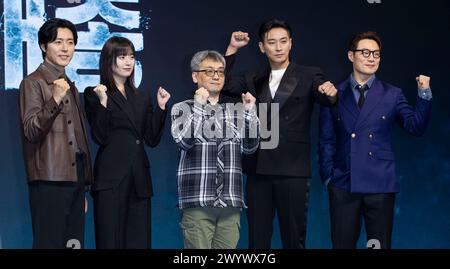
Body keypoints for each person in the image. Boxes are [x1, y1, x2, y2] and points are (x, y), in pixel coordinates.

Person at [222, 19, 337, 249]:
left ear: (291, 44)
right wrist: (232, 49)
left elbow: (326, 95)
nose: (278, 47)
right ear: (261, 47)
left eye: (283, 41)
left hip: (292, 170)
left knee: (294, 239)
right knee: (257, 239)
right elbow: (221, 82)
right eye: (272, 42)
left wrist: (329, 91)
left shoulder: (309, 75)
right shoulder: (253, 78)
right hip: (258, 169)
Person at [318, 31, 432, 249]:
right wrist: (328, 177)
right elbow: (326, 140)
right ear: (351, 56)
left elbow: (415, 127)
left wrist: (424, 93)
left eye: (377, 54)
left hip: (380, 183)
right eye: (365, 52)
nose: (371, 58)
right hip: (344, 183)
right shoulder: (334, 92)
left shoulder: (392, 94)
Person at [84, 36, 170, 249]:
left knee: (139, 241)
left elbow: (151, 139)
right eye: (122, 57)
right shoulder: (95, 93)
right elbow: (99, 137)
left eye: (131, 57)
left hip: (139, 178)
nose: (128, 62)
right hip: (111, 178)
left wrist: (160, 108)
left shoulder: (142, 96)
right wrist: (103, 104)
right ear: (108, 60)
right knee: (110, 240)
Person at [171, 50, 260, 249]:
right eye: (209, 71)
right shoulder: (182, 108)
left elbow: (250, 147)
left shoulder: (235, 110)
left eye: (220, 71)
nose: (216, 76)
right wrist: (200, 107)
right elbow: (184, 141)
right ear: (195, 76)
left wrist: (250, 113)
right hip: (198, 200)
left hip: (230, 201)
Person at [19, 18, 93, 249]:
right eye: (58, 42)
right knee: (49, 243)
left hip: (75, 177)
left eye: (70, 42)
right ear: (43, 46)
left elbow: (78, 138)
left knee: (74, 243)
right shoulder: (33, 82)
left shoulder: (70, 84)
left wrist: (83, 186)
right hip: (49, 178)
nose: (65, 48)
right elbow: (31, 130)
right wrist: (55, 100)